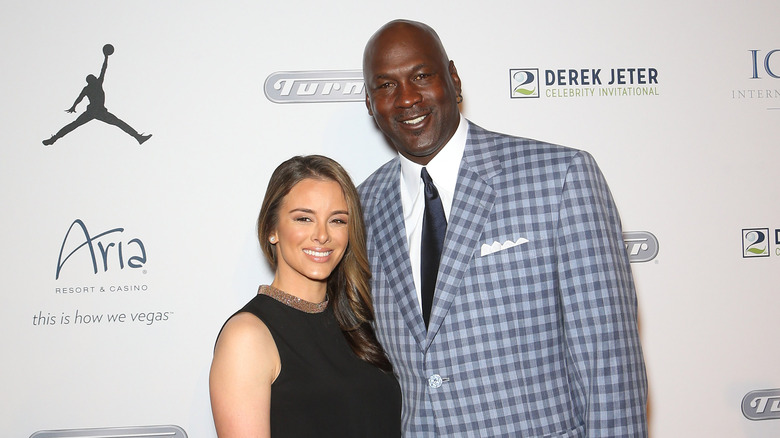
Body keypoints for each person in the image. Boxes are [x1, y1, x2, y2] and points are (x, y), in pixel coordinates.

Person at [358, 19, 647, 437]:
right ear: (370, 104)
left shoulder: (559, 177)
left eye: (422, 75)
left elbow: (609, 360)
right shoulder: (360, 207)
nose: (406, 98)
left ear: (453, 79)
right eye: (385, 86)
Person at [209, 155, 401, 437]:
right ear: (272, 229)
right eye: (304, 218)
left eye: (337, 220)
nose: (322, 235)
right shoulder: (248, 336)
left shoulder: (358, 323)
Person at [42, 44, 151, 146]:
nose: (95, 77)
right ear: (91, 80)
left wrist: (74, 106)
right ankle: (138, 137)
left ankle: (54, 139)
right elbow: (103, 70)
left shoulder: (90, 87)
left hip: (97, 111)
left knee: (74, 125)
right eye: (93, 77)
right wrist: (106, 57)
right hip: (96, 111)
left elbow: (80, 98)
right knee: (117, 122)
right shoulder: (95, 85)